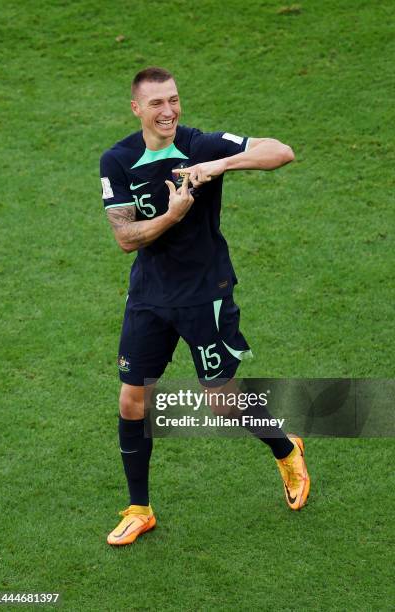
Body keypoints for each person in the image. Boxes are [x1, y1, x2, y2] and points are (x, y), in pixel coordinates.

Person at [100, 67, 310, 546]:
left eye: (173, 99)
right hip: (150, 297)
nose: (168, 111)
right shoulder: (117, 160)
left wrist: (219, 166)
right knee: (133, 399)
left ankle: (286, 448)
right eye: (156, 103)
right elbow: (124, 237)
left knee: (221, 398)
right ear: (137, 109)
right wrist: (172, 216)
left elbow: (281, 151)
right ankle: (139, 508)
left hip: (205, 292)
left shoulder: (202, 144)